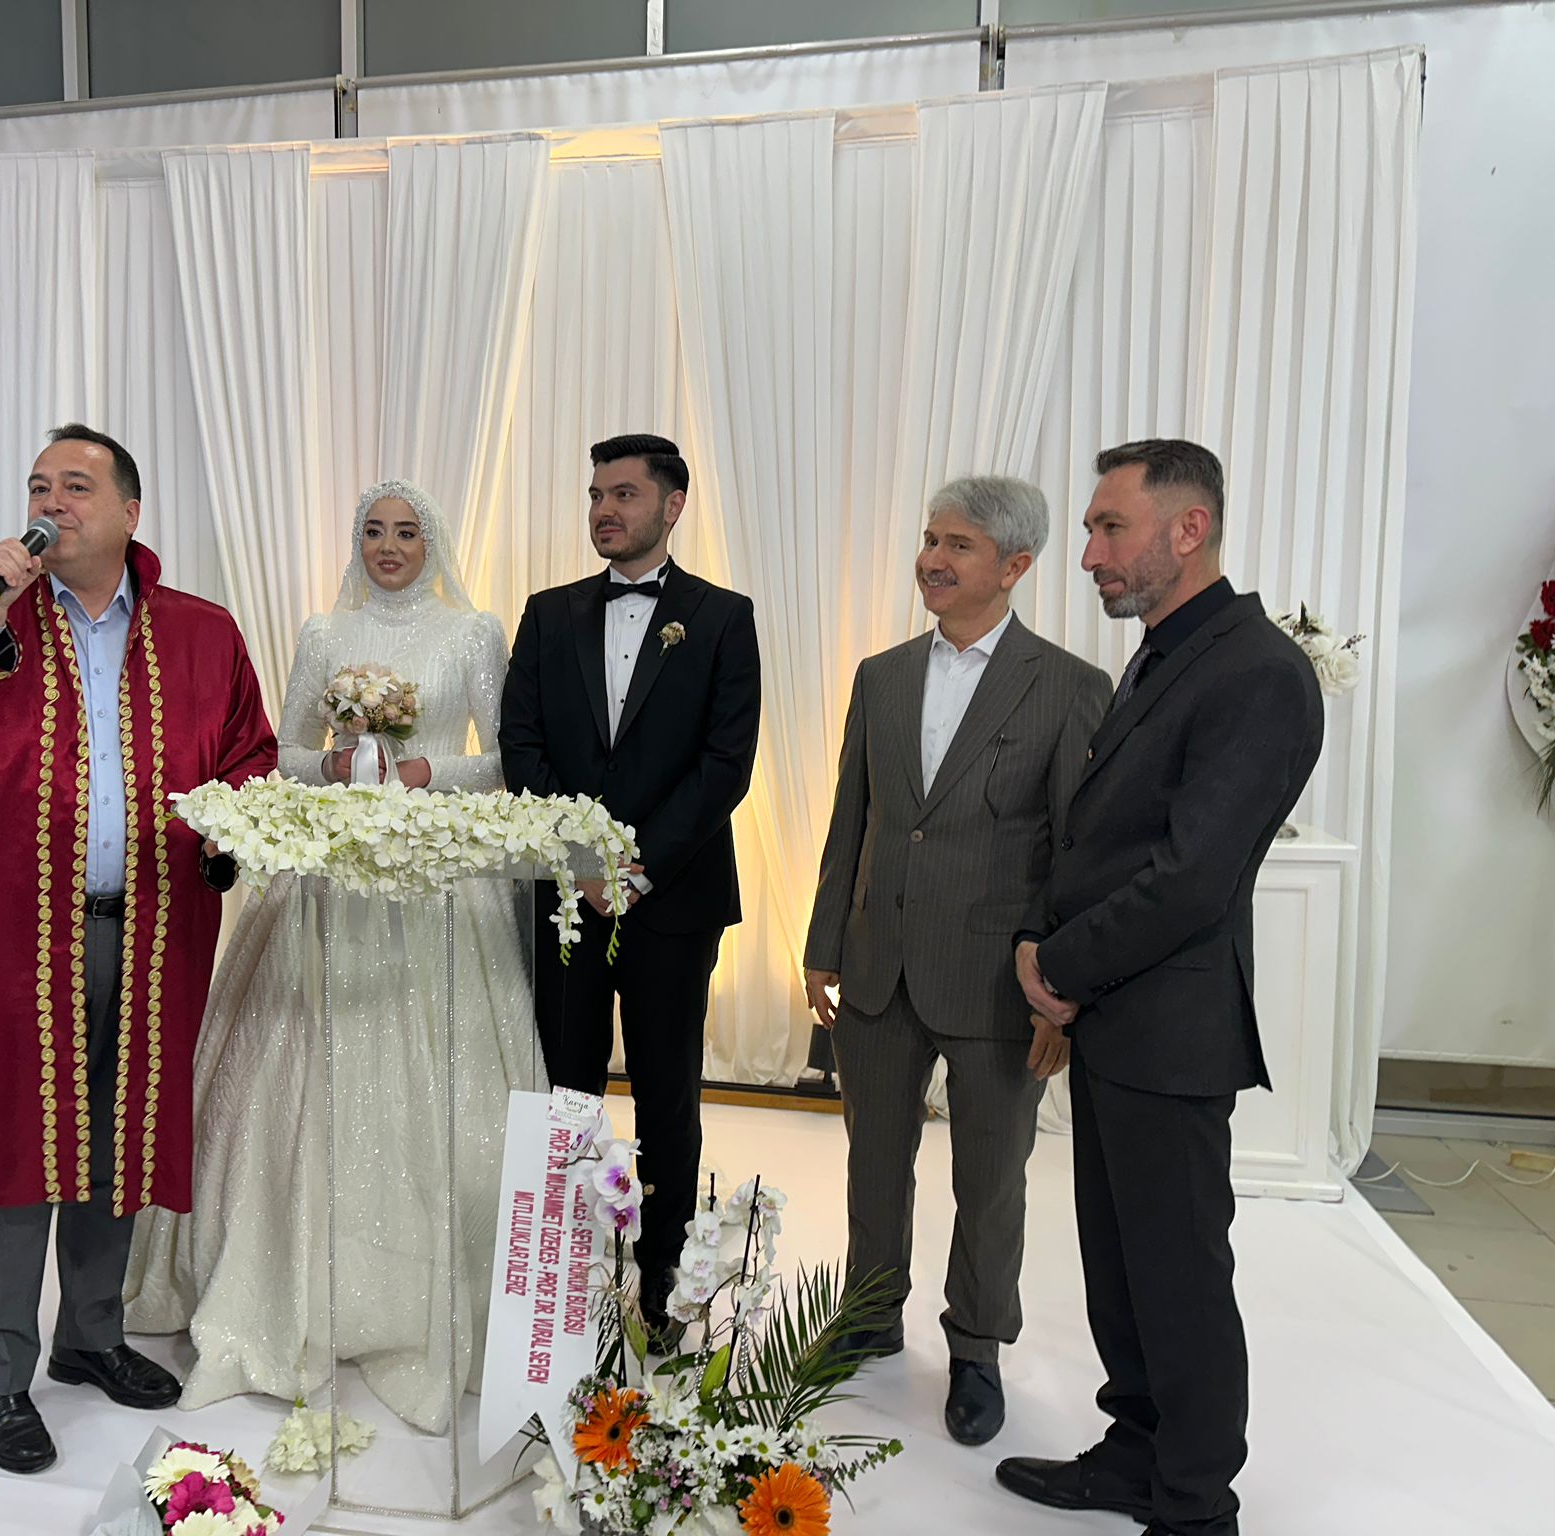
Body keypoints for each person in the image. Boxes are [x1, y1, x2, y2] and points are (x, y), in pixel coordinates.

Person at [0, 424, 276, 1475]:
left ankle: (91, 1337)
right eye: (40, 485)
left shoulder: (201, 632)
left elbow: (249, 754)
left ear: (130, 512)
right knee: (14, 1151)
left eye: (77, 486)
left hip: (152, 930)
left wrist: (227, 830)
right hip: (7, 937)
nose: (52, 502)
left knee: (117, 1143)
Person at [124, 480, 542, 1434]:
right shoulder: (322, 632)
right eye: (374, 531)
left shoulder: (472, 633)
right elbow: (281, 752)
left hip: (434, 877)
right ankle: (274, 1279)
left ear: (433, 543)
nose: (389, 546)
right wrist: (340, 758)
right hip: (326, 876)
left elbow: (505, 758)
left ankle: (434, 1292)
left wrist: (423, 769)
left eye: (407, 532)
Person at [994, 441, 1323, 1536]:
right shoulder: (1168, 654)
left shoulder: (1257, 671)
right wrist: (1045, 941)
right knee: (1122, 1267)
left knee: (1176, 1280)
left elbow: (1191, 876)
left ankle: (1192, 1506)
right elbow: (1103, 838)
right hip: (1117, 1021)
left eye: (1109, 528)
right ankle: (1135, 1456)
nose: (1089, 553)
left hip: (1169, 1030)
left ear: (1188, 530)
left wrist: (1057, 968)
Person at [803, 476, 1109, 1446]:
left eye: (957, 546)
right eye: (929, 540)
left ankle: (976, 1348)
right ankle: (868, 1314)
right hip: (876, 967)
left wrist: (1060, 996)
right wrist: (821, 945)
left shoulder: (1068, 688)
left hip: (998, 987)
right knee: (872, 1159)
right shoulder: (881, 676)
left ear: (1014, 566)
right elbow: (850, 820)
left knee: (989, 1180)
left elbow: (1078, 855)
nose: (931, 560)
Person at [499, 433, 761, 1341]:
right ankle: (560, 1275)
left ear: (672, 506)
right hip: (568, 901)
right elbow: (521, 745)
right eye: (595, 495)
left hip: (674, 898)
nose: (605, 510)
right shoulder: (548, 614)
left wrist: (635, 866)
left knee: (667, 1093)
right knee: (564, 1087)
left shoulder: (723, 618)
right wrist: (582, 861)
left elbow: (725, 765)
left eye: (624, 494)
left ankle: (664, 1280)